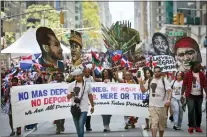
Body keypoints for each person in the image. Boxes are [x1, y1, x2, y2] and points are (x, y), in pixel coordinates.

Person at [140, 66, 172, 137]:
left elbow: (169, 91)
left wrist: (168, 100)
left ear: (160, 72)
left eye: (158, 71)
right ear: (153, 72)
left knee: (161, 126)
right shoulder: (150, 80)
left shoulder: (164, 80)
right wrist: (141, 83)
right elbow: (143, 91)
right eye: (155, 71)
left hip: (162, 106)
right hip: (152, 106)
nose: (157, 73)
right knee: (153, 124)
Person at [67, 69, 94, 137]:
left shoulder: (87, 85)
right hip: (75, 108)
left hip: (84, 108)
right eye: (75, 76)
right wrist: (71, 95)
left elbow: (90, 95)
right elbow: (68, 97)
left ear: (82, 75)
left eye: (78, 76)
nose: (76, 77)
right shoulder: (71, 85)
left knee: (81, 124)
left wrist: (92, 106)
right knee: (77, 126)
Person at [181, 61, 207, 133]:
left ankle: (198, 126)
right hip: (190, 95)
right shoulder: (188, 74)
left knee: (199, 111)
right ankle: (191, 126)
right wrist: (181, 95)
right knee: (191, 110)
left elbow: (204, 85)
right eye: (199, 66)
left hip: (199, 95)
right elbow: (184, 85)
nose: (200, 67)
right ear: (194, 66)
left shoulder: (202, 74)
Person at [83, 67, 95, 131]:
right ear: (83, 72)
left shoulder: (91, 78)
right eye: (86, 72)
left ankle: (88, 125)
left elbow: (94, 85)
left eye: (88, 72)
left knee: (89, 111)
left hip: (89, 96)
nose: (87, 73)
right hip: (83, 97)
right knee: (84, 111)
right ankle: (84, 122)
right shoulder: (82, 78)